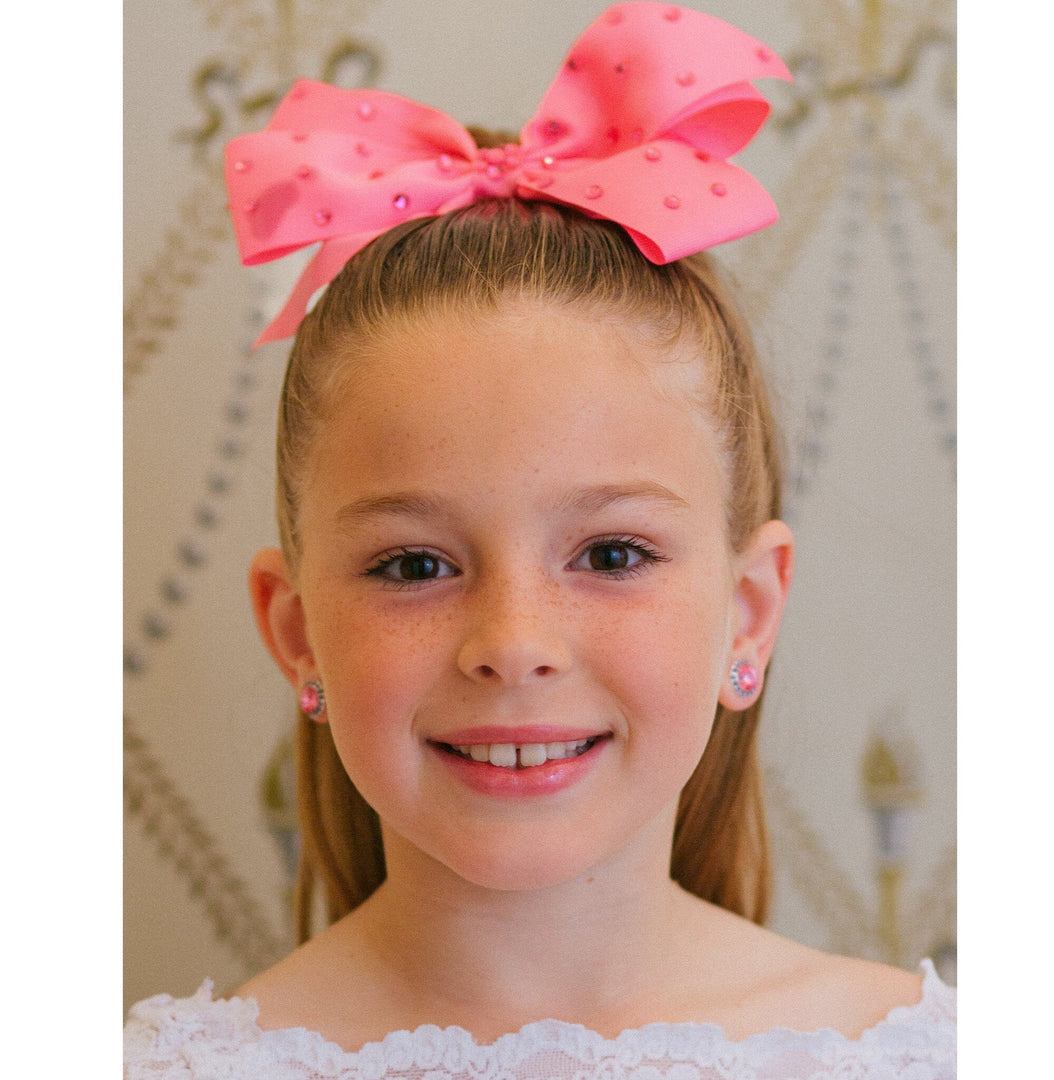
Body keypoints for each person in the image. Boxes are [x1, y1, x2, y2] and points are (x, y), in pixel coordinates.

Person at [124, 4, 956, 1076]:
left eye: (611, 555)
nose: (514, 643)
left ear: (749, 612)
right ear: (296, 635)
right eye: (415, 565)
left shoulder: (923, 1053)